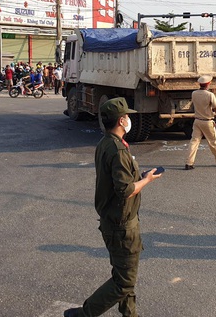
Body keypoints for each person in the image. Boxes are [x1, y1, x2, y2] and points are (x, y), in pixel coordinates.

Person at [64, 97, 162, 317]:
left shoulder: (106, 143)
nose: (129, 119)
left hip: (114, 220)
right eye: (126, 116)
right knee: (124, 282)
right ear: (120, 121)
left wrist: (139, 176)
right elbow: (126, 190)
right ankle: (85, 313)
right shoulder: (117, 150)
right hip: (122, 225)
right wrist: (147, 180)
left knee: (123, 275)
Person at [184, 76, 216, 170]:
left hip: (197, 121)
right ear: (208, 84)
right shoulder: (210, 95)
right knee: (213, 142)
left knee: (194, 142)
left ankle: (189, 163)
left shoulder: (194, 93)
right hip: (207, 121)